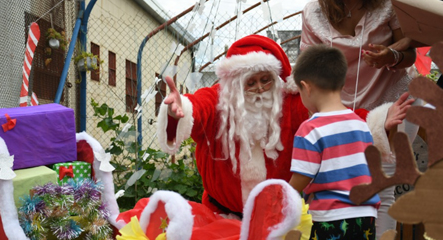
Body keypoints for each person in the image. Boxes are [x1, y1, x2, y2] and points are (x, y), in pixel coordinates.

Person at [157, 34, 409, 219]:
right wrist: (177, 111)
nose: (258, 89)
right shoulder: (217, 100)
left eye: (265, 80)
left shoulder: (293, 101)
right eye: (250, 82)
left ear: (276, 77)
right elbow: (195, 110)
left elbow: (336, 115)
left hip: (281, 219)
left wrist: (376, 123)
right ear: (235, 83)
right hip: (220, 217)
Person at [300, 0, 418, 240]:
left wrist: (391, 56)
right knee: (338, 187)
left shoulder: (388, 4)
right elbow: (307, 67)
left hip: (389, 100)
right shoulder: (313, 12)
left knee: (382, 188)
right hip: (336, 109)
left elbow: (409, 53)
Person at [290, 45, 382, 240]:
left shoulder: (310, 129)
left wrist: (283, 195)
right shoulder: (360, 124)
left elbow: (301, 178)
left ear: (306, 87)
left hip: (329, 218)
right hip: (365, 216)